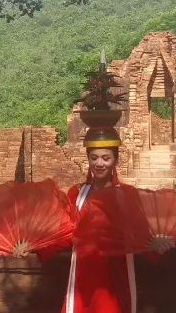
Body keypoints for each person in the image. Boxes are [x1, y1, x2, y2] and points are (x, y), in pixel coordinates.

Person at [61, 127, 143, 313]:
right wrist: (34, 246)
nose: (99, 163)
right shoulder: (77, 193)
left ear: (115, 160)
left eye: (106, 158)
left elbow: (140, 232)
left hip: (115, 271)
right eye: (94, 157)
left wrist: (158, 243)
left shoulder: (127, 194)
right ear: (88, 159)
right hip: (83, 270)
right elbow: (64, 231)